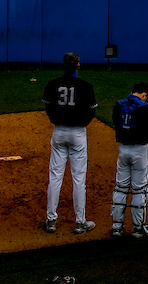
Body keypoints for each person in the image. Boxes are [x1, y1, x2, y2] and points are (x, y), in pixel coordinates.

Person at [42, 52, 98, 235]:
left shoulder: (53, 85)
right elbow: (91, 112)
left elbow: (48, 108)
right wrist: (80, 123)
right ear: (78, 66)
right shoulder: (86, 86)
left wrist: (58, 119)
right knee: (79, 180)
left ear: (63, 66)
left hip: (59, 132)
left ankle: (51, 220)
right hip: (78, 134)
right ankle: (80, 222)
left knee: (55, 177)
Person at [111, 82, 148, 238]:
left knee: (120, 187)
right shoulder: (145, 108)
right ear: (144, 94)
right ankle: (138, 228)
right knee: (139, 188)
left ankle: (117, 227)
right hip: (139, 150)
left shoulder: (118, 105)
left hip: (123, 150)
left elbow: (115, 124)